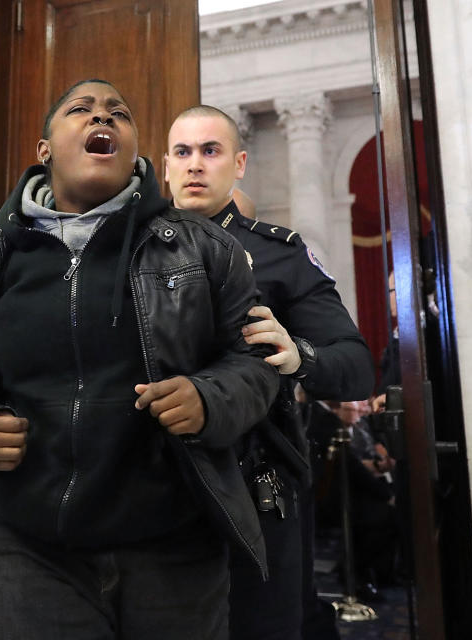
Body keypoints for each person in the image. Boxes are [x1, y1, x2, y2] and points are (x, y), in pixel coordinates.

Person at [0, 80, 279, 640]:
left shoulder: (203, 246)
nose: (101, 117)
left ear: (134, 149)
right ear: (45, 151)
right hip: (25, 548)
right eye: (80, 110)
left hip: (173, 547)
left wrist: (208, 397)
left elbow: (256, 362)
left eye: (119, 112)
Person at [164, 105, 374, 640]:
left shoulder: (278, 254)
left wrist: (301, 352)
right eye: (182, 152)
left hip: (255, 482)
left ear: (237, 164)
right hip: (156, 485)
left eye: (210, 151)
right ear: (165, 166)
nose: (194, 165)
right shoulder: (128, 251)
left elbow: (355, 365)